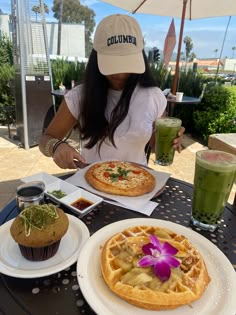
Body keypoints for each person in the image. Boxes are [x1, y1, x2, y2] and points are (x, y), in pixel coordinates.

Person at [39, 14, 184, 169]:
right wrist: (56, 146)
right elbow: (46, 139)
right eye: (113, 66)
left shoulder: (154, 96)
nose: (120, 74)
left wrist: (172, 139)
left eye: (127, 65)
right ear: (96, 59)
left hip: (138, 184)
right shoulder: (80, 96)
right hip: (91, 184)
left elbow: (155, 143)